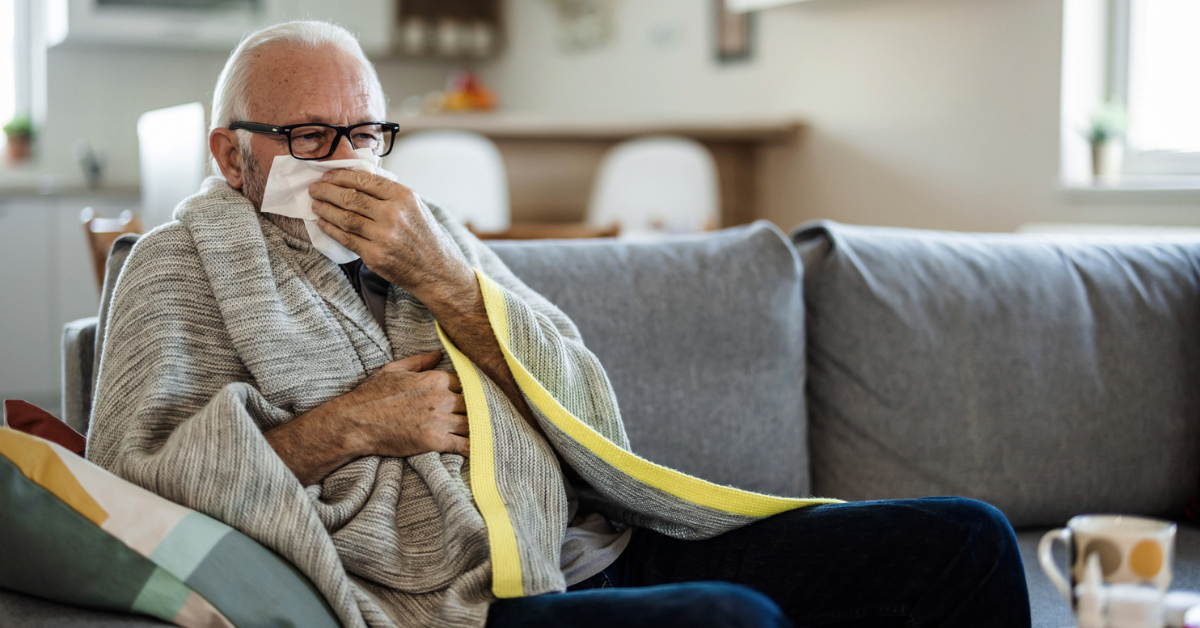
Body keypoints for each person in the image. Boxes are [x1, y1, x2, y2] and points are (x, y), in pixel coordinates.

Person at [86, 20, 1031, 628]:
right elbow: (132, 488)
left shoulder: (433, 233)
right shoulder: (177, 267)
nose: (344, 162)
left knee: (970, 539)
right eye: (308, 138)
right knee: (729, 621)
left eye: (365, 134)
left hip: (598, 540)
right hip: (466, 596)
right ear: (231, 152)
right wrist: (353, 426)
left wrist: (444, 280)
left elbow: (585, 401)